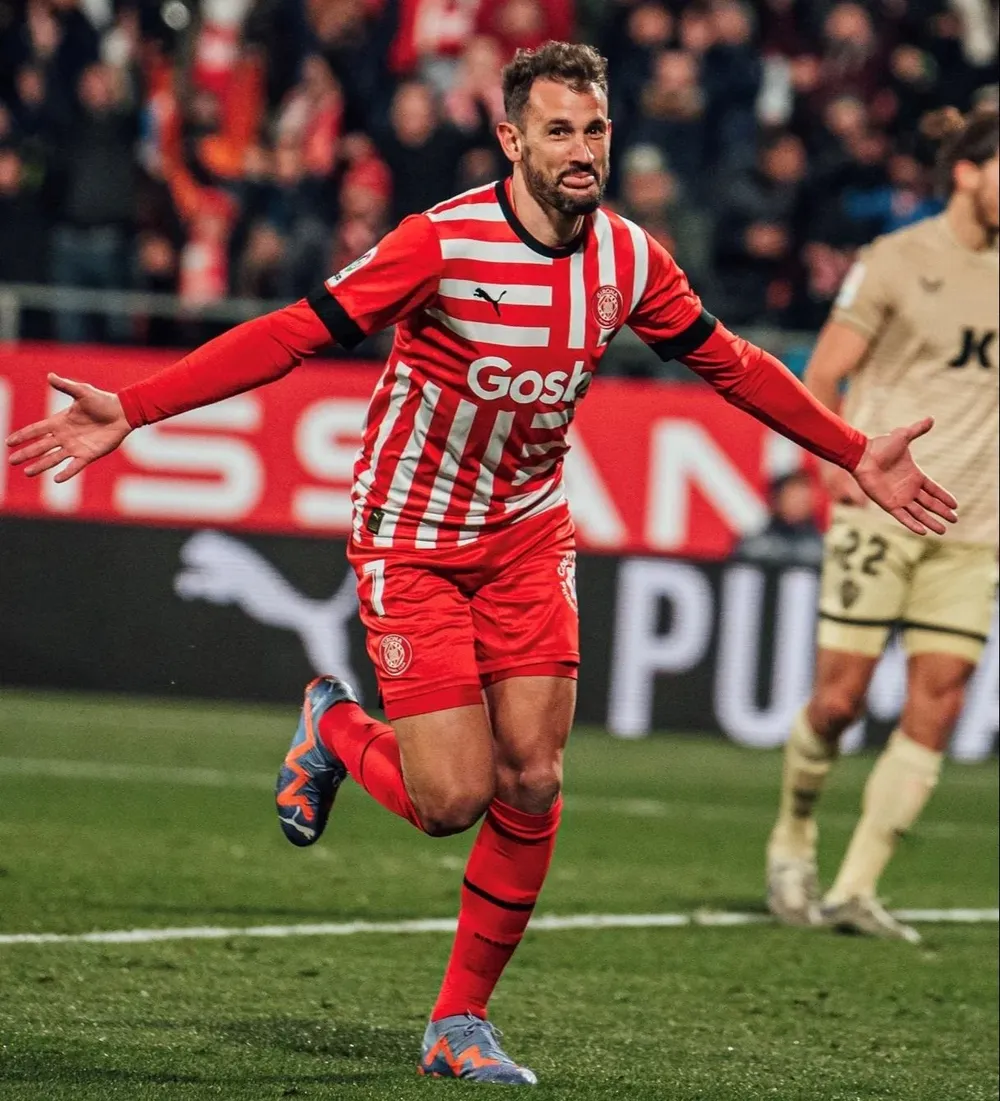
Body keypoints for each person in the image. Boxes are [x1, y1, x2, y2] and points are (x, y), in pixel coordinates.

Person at [7, 42, 958, 1086]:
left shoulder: (630, 260)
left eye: (594, 128)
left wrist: (849, 447)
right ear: (511, 139)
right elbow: (292, 333)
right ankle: (331, 723)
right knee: (449, 799)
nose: (582, 149)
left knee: (535, 778)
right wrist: (136, 409)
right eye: (558, 129)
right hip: (411, 536)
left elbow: (730, 363)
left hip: (526, 537)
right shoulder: (440, 243)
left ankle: (459, 1021)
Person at [765, 104, 998, 944]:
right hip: (880, 513)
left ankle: (856, 887)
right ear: (969, 172)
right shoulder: (897, 258)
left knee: (937, 703)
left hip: (975, 528)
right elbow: (822, 376)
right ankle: (793, 834)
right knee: (839, 702)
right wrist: (834, 468)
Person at [735, 469, 824, 568]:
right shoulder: (755, 547)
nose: (798, 505)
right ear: (776, 500)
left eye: (804, 500)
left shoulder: (824, 549)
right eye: (792, 497)